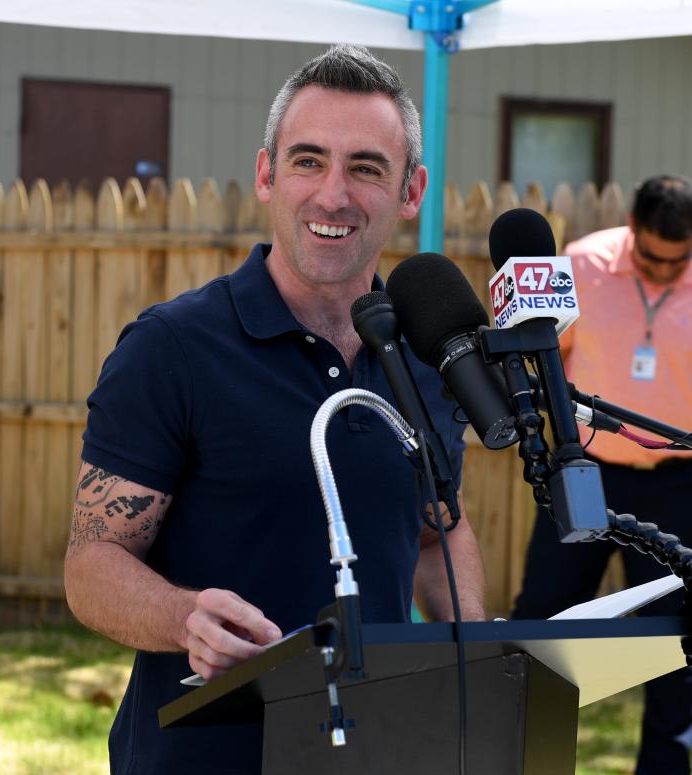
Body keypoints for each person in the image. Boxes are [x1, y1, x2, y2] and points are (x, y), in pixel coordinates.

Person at [64, 44, 486, 775]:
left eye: (365, 167)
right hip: (201, 755)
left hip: (378, 752)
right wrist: (181, 616)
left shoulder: (428, 354)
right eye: (308, 160)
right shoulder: (174, 347)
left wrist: (481, 659)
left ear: (411, 191)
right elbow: (91, 562)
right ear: (266, 174)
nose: (333, 195)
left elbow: (432, 531)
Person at [512, 175, 692, 775]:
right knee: (543, 622)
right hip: (584, 474)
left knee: (678, 638)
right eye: (650, 256)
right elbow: (553, 363)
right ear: (632, 227)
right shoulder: (579, 263)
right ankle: (524, 757)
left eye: (676, 262)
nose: (660, 270)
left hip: (679, 483)